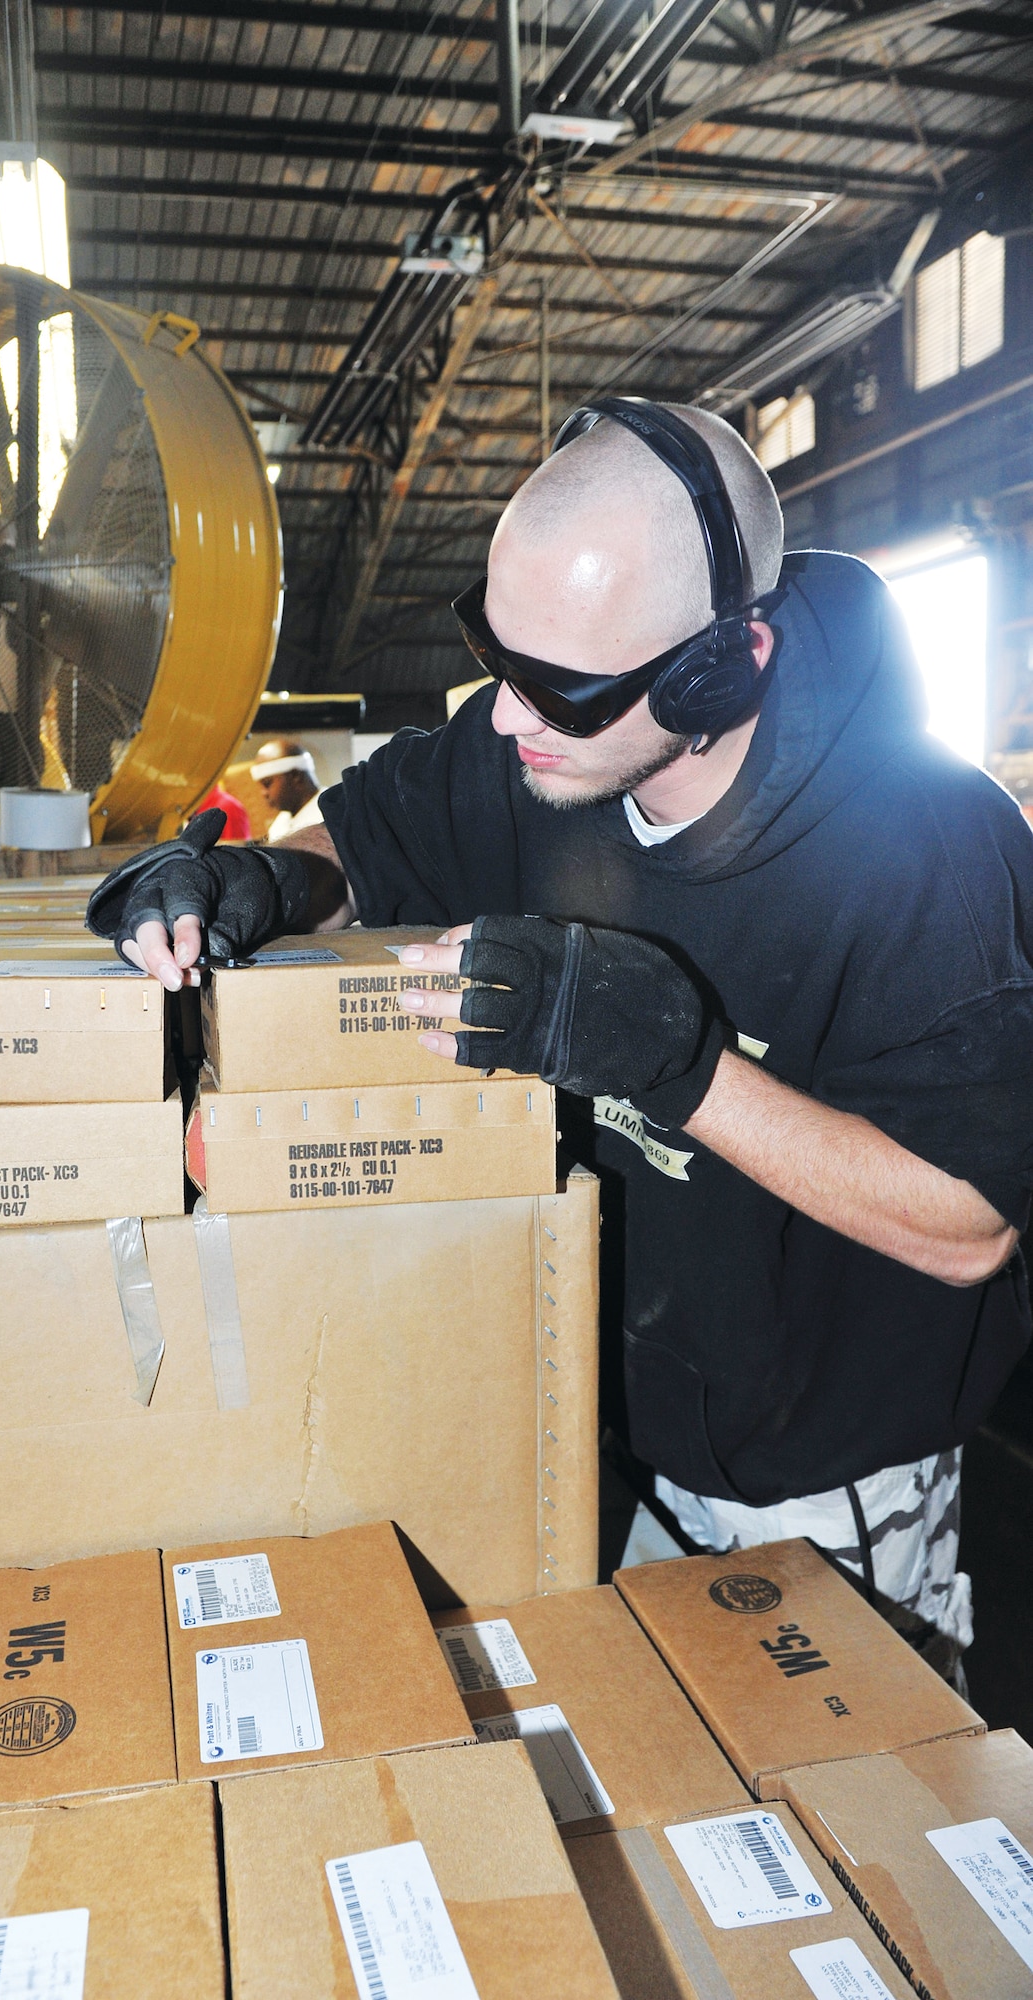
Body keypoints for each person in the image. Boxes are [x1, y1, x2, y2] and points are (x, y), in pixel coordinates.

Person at [87, 398, 1033, 1680]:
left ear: (716, 670)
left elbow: (966, 1222)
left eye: (559, 692)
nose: (502, 717)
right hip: (601, 1415)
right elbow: (366, 841)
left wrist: (676, 1064)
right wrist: (256, 883)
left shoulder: (927, 852)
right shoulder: (536, 748)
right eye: (496, 656)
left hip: (815, 1482)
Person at [250, 737, 323, 840]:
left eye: (267, 783)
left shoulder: (328, 816)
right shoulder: (281, 821)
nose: (264, 793)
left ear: (295, 776)